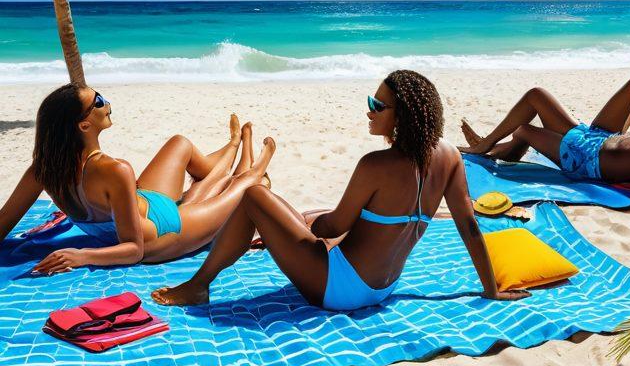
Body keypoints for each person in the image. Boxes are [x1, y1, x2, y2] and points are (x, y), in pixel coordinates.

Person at [153, 69, 526, 311]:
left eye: (378, 105)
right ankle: (270, 233)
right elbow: (470, 227)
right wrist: (490, 288)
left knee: (254, 196)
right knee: (290, 215)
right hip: (383, 289)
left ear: (405, 116)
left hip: (339, 290)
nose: (369, 110)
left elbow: (333, 227)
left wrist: (296, 229)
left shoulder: (375, 165)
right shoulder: (449, 157)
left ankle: (198, 285)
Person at [0, 84, 275, 274]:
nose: (107, 104)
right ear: (83, 125)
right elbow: (134, 250)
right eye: (98, 102)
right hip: (164, 233)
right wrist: (81, 255)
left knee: (181, 145)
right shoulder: (115, 170)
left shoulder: (45, 169)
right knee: (246, 184)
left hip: (145, 202)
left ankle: (234, 144)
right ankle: (256, 157)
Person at [460, 73, 630, 183]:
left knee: (525, 130)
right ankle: (493, 145)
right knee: (536, 96)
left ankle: (489, 148)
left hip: (584, 160)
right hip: (597, 139)